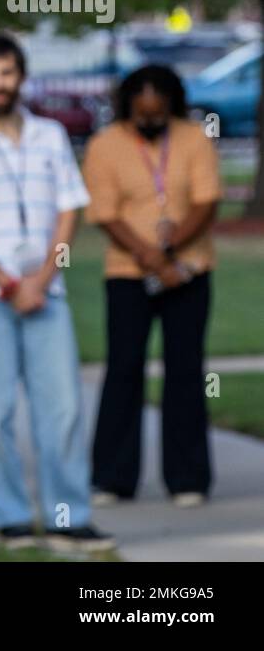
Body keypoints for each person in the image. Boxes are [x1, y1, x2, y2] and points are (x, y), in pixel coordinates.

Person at [0, 34, 113, 553]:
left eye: (6, 73)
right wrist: (9, 284)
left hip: (46, 294)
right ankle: (11, 517)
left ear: (21, 76)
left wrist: (41, 279)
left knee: (61, 409)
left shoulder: (50, 135)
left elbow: (68, 211)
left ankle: (68, 515)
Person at [83, 65, 220, 507]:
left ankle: (187, 479)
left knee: (185, 370)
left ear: (171, 106)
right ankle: (112, 477)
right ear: (127, 108)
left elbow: (206, 201)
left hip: (189, 270)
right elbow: (104, 212)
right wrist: (150, 257)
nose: (150, 123)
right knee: (124, 369)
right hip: (127, 272)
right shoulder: (105, 145)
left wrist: (172, 250)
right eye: (142, 116)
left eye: (157, 116)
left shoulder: (193, 138)